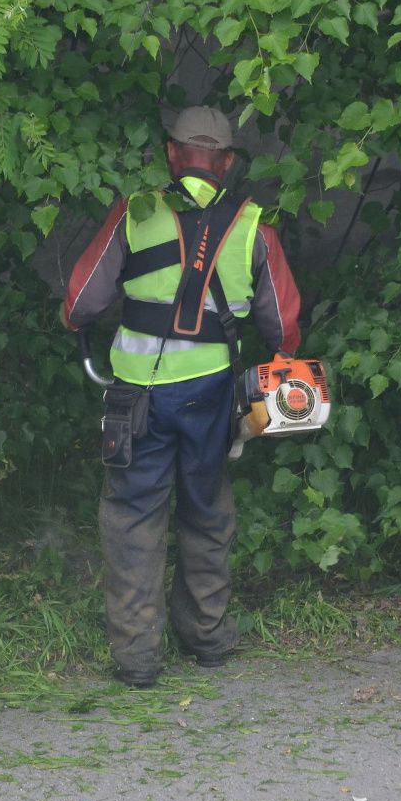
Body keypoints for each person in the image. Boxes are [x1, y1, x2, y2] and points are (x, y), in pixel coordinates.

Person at [63, 106, 302, 688]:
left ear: (171, 154)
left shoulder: (134, 211)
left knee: (132, 517)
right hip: (210, 400)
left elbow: (81, 303)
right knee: (207, 511)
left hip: (136, 402)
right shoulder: (254, 228)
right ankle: (208, 637)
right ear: (226, 163)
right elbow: (285, 327)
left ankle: (138, 657)